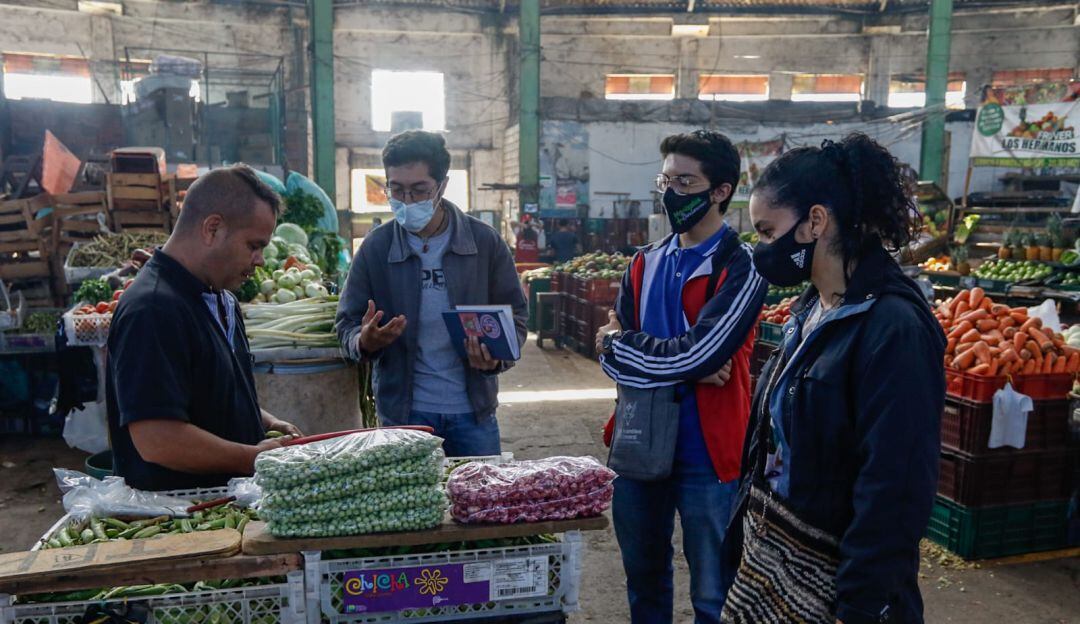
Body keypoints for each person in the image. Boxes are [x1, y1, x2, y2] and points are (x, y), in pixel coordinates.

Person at [721, 134, 945, 624]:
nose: (760, 247)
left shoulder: (893, 328)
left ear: (815, 222)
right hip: (785, 558)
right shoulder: (809, 311)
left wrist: (861, 602)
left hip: (842, 584)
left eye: (766, 231)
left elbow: (896, 484)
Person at [595, 129, 767, 624]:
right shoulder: (643, 263)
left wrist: (636, 351)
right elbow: (610, 356)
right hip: (637, 443)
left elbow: (690, 354)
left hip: (708, 453)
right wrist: (678, 364)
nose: (672, 192)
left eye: (686, 182)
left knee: (714, 594)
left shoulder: (744, 266)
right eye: (666, 179)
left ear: (721, 191)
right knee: (644, 584)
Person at [106, 164, 303, 492]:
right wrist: (252, 458)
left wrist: (265, 421)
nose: (260, 260)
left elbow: (212, 389)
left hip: (223, 506)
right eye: (254, 246)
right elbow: (158, 439)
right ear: (212, 228)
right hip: (178, 520)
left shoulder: (221, 298)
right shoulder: (153, 309)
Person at [335, 130, 527, 457]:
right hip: (404, 415)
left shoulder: (484, 243)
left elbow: (518, 319)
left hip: (473, 414)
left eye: (419, 190)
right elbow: (345, 326)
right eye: (396, 189)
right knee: (406, 505)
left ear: (442, 186)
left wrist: (497, 356)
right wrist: (364, 342)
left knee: (480, 503)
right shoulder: (375, 248)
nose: (406, 200)